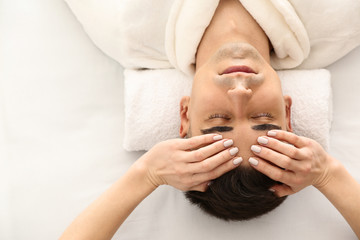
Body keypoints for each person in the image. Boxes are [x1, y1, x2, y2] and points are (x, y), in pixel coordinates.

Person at [60, 0, 360, 239]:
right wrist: (328, 174)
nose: (241, 90)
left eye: (219, 121)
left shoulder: (126, 26)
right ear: (288, 112)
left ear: (185, 114)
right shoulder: (340, 23)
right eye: (263, 118)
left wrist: (146, 174)